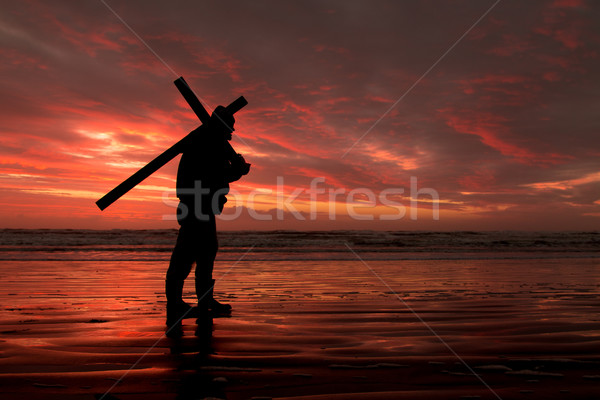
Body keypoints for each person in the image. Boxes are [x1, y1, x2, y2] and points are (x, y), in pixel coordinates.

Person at [165, 106, 250, 329]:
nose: (231, 134)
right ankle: (175, 304)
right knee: (186, 254)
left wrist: (236, 170)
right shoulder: (206, 145)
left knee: (206, 251)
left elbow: (218, 174)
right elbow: (217, 174)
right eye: (229, 130)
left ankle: (202, 300)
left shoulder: (205, 143)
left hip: (201, 206)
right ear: (221, 128)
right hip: (196, 206)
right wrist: (239, 171)